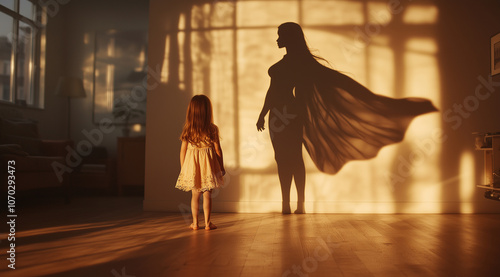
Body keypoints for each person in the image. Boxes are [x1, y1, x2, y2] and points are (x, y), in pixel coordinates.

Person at [257, 22, 437, 214]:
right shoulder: (291, 64)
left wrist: (370, 99)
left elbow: (334, 81)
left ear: (289, 37)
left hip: (289, 116)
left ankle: (298, 204)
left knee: (292, 157)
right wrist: (263, 114)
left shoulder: (301, 64)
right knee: (283, 158)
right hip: (276, 118)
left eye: (280, 35)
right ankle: (287, 204)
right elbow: (272, 92)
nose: (277, 39)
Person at [176, 94, 225, 230]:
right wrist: (221, 167)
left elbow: (183, 151)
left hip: (192, 167)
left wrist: (183, 168)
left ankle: (195, 223)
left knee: (195, 195)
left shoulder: (188, 129)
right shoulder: (212, 129)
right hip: (208, 166)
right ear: (208, 111)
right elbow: (218, 151)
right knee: (208, 194)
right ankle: (208, 223)